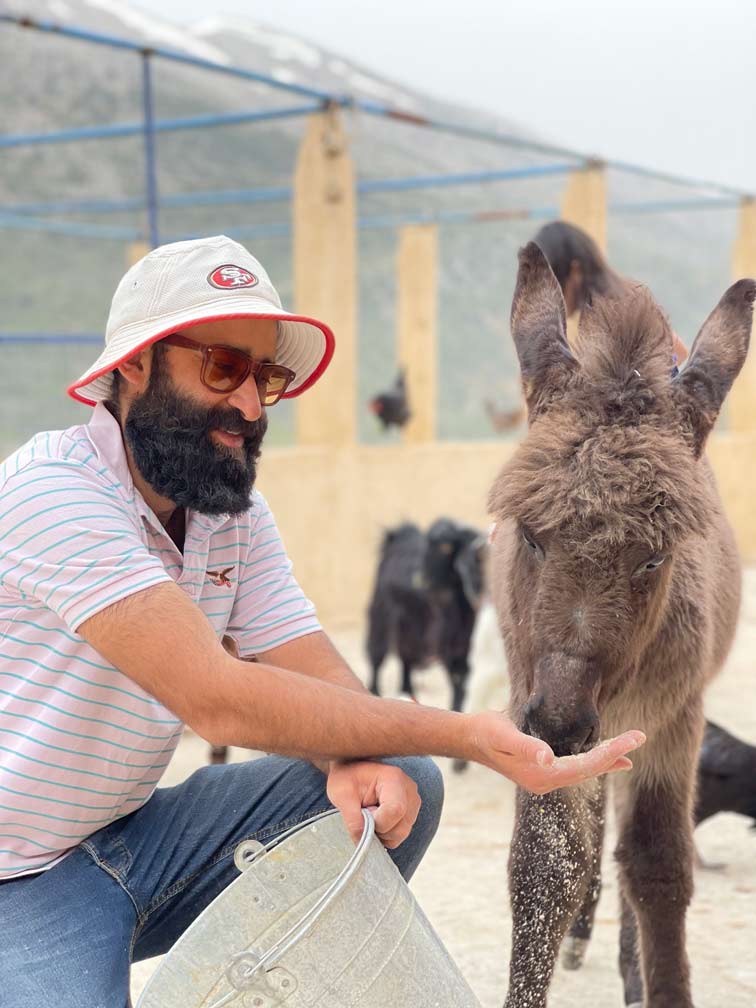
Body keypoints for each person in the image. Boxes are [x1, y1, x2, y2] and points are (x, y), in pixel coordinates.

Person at [0, 235, 645, 1007]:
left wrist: (353, 757)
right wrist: (467, 733)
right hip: (17, 880)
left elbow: (312, 666)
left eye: (264, 377)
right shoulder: (54, 493)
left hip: (136, 844)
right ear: (135, 365)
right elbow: (217, 699)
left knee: (395, 778)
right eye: (223, 367)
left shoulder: (226, 512)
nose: (248, 404)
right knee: (406, 750)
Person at [533, 219, 689, 368]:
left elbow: (677, 353)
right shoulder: (622, 294)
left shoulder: (611, 312)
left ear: (575, 272)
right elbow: (678, 351)